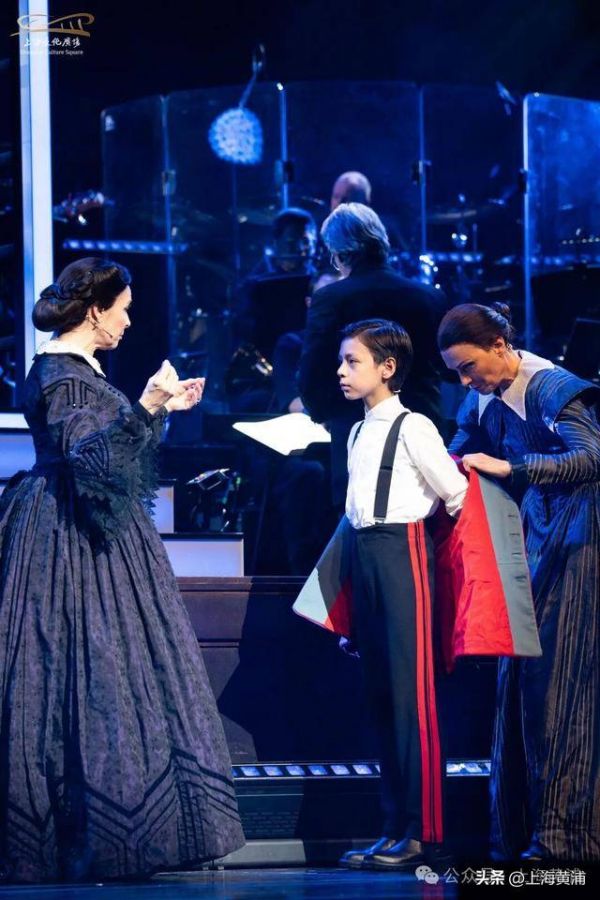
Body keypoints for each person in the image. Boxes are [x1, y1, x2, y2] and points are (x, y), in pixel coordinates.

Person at [0, 258, 244, 882]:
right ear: (94, 311)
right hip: (70, 536)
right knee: (85, 666)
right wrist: (145, 404)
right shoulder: (60, 375)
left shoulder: (79, 370)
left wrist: (159, 411)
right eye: (123, 310)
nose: (130, 322)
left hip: (96, 530)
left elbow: (116, 455)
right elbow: (91, 462)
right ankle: (95, 837)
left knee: (115, 665)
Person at [438, 302, 600, 863]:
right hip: (535, 536)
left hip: (580, 538)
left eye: (468, 367)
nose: (465, 380)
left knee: (559, 681)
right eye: (456, 372)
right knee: (522, 678)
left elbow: (591, 458)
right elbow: (461, 445)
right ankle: (518, 830)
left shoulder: (551, 387)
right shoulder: (483, 395)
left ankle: (566, 836)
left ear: (501, 346)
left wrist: (514, 468)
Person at [335, 319, 468, 871]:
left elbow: (457, 496)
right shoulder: (357, 432)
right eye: (342, 361)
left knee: (412, 701)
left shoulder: (414, 427)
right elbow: (353, 515)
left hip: (404, 554)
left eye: (353, 362)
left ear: (387, 368)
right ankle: (394, 827)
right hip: (365, 555)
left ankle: (425, 832)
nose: (342, 371)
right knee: (382, 699)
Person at [299, 202, 448, 509]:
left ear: (340, 254)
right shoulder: (429, 297)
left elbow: (313, 369)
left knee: (360, 519)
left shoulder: (330, 298)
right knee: (424, 517)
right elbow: (445, 367)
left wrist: (322, 412)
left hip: (356, 425)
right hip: (423, 423)